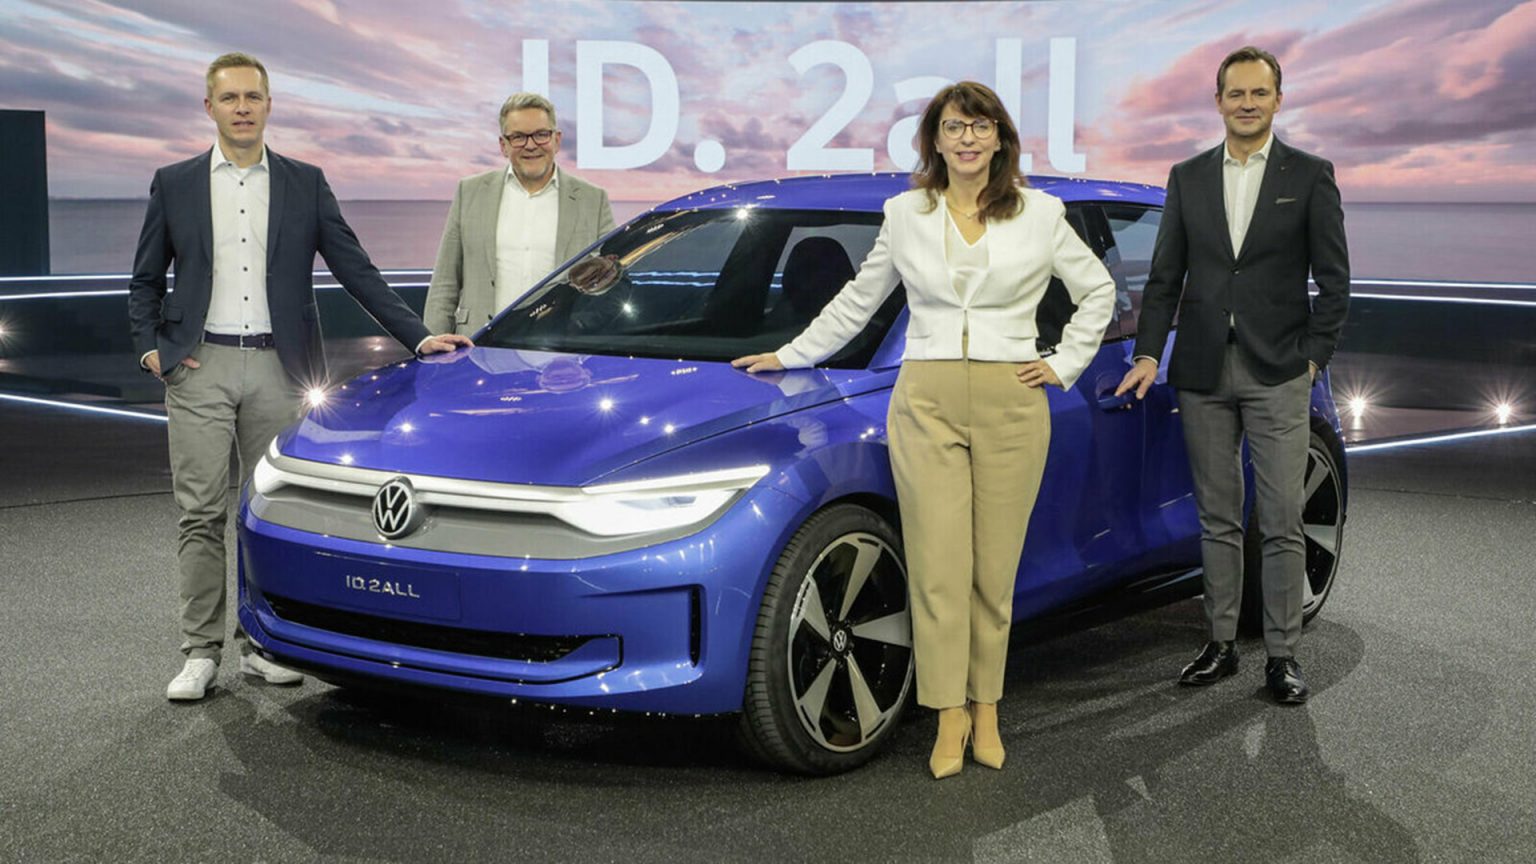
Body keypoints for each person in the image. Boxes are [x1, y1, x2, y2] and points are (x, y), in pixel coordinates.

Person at [734, 82, 1115, 778]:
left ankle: (987, 706)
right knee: (938, 571)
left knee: (993, 574)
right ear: (935, 140)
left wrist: (1063, 364)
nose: (967, 139)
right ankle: (947, 713)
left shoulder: (1041, 213)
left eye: (979, 126)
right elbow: (859, 300)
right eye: (953, 127)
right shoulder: (906, 214)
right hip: (926, 400)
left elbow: (1098, 292)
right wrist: (790, 354)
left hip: (1012, 400)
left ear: (1000, 138)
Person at [127, 52, 472, 702]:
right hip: (199, 367)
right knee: (200, 514)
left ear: (268, 104)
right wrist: (152, 351)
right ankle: (200, 651)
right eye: (230, 97)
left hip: (280, 370)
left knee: (269, 516)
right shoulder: (174, 183)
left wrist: (421, 336)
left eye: (253, 96)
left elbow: (357, 269)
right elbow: (145, 278)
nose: (242, 107)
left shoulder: (304, 183)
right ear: (209, 106)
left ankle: (260, 645)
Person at [1115, 46, 1349, 704]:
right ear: (1218, 101)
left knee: (1279, 518)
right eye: (1236, 93)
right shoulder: (1187, 177)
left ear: (1278, 100)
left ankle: (1282, 655)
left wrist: (1312, 359)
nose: (1247, 103)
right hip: (1201, 370)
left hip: (1280, 372)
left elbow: (1336, 283)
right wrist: (1147, 354)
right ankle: (1219, 644)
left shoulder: (1311, 175)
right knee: (1216, 517)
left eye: (1259, 92)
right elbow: (1163, 280)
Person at [423, 92, 615, 336]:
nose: (531, 145)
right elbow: (445, 284)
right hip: (478, 345)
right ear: (503, 145)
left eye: (541, 134)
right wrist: (434, 351)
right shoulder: (469, 192)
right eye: (519, 137)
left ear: (556, 140)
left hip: (561, 351)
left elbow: (612, 282)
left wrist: (581, 331)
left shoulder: (592, 199)